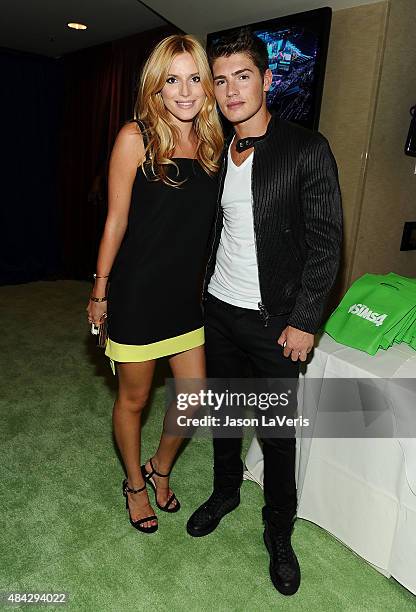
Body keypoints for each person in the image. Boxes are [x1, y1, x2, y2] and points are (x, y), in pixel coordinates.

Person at [186, 28, 343, 596]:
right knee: (225, 415)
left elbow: (327, 242)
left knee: (277, 434)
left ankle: (279, 530)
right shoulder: (212, 151)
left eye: (242, 76)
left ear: (267, 80)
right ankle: (226, 490)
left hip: (276, 321)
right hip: (220, 309)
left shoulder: (307, 148)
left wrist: (305, 320)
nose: (230, 91)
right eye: (220, 80)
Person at [87, 34, 223, 534]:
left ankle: (160, 468)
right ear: (156, 86)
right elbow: (115, 221)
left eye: (194, 79)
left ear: (206, 87)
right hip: (139, 294)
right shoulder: (135, 137)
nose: (184, 91)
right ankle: (135, 485)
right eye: (172, 79)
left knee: (193, 397)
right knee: (135, 400)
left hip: (185, 299)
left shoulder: (212, 143)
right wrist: (100, 290)